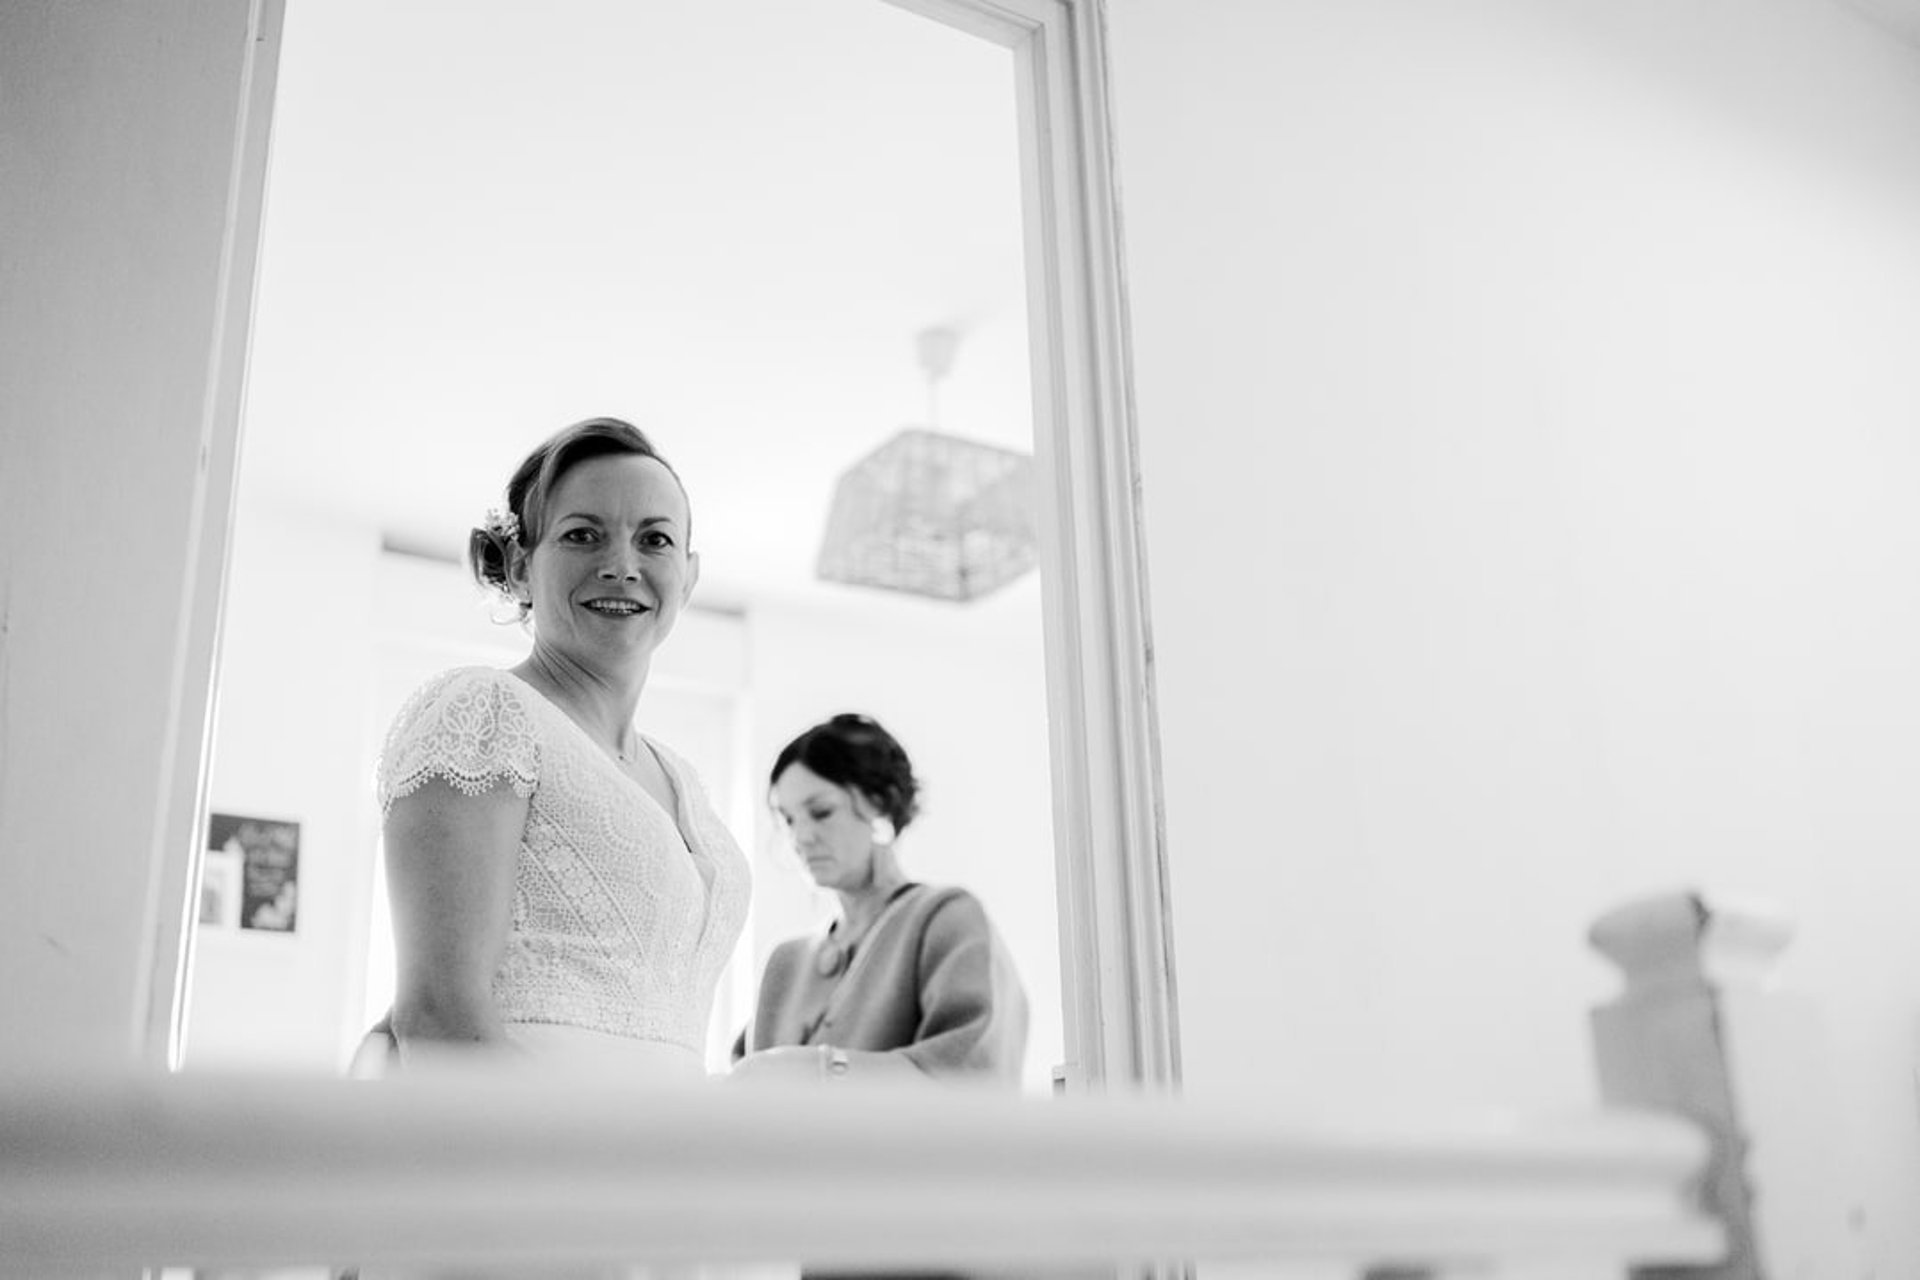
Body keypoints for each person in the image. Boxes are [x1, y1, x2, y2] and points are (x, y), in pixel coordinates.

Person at [366, 417, 749, 1081]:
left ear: (687, 576)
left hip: (663, 1162)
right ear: (519, 566)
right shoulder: (486, 713)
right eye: (582, 534)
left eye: (654, 540)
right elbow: (439, 1015)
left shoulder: (682, 778)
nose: (622, 566)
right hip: (526, 1160)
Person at [730, 714, 1027, 1087]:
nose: (801, 836)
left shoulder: (945, 918)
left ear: (881, 805)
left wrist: (818, 1071)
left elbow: (971, 1078)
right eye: (788, 819)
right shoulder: (783, 964)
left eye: (821, 812)